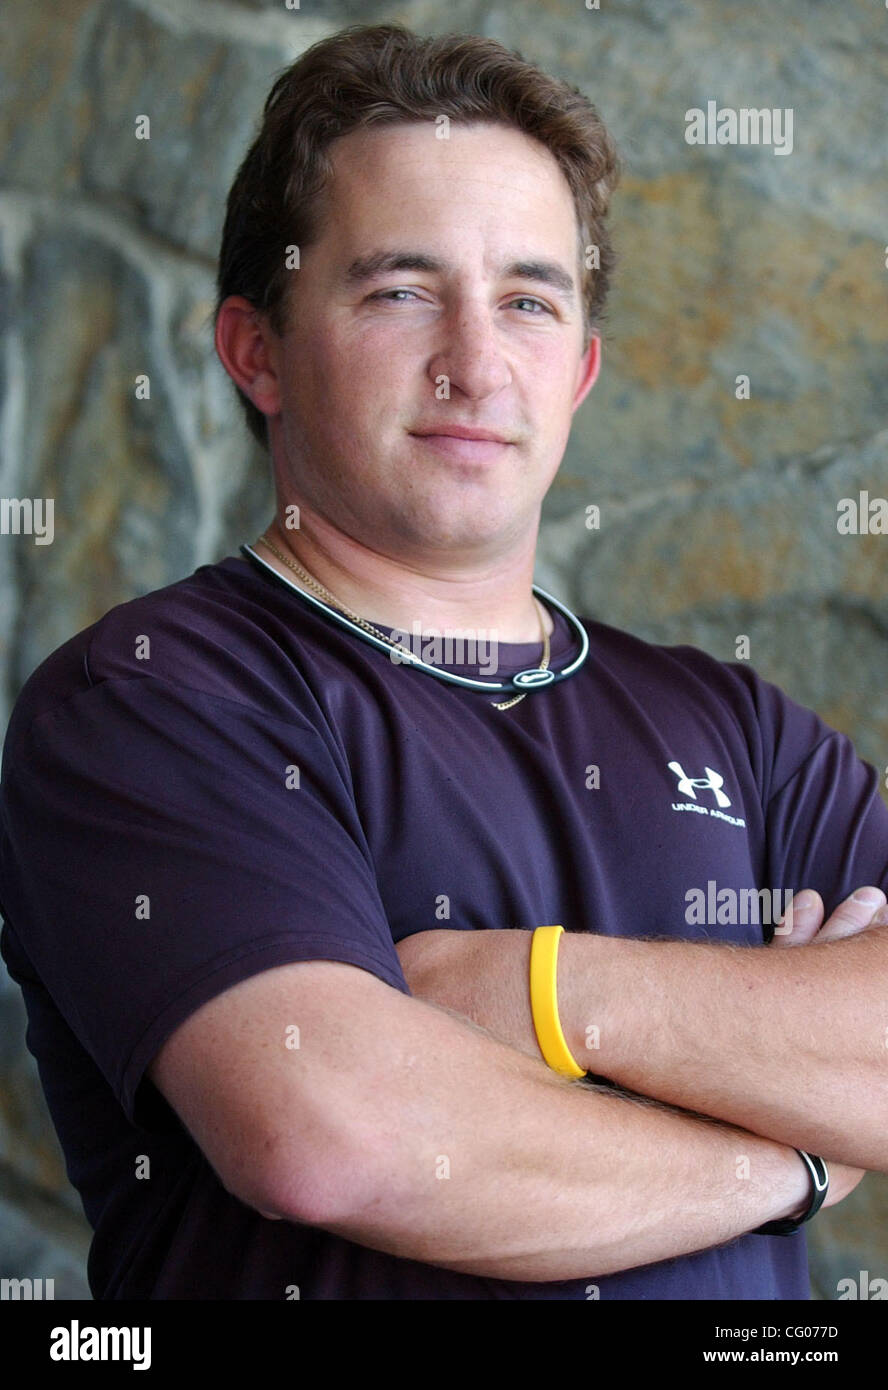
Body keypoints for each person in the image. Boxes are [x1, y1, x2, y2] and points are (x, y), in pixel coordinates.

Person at [1, 22, 887, 1302]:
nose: (478, 364)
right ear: (256, 350)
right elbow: (337, 1135)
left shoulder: (736, 724)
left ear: (578, 369)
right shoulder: (151, 695)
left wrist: (540, 991)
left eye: (529, 300)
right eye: (401, 290)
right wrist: (797, 1156)